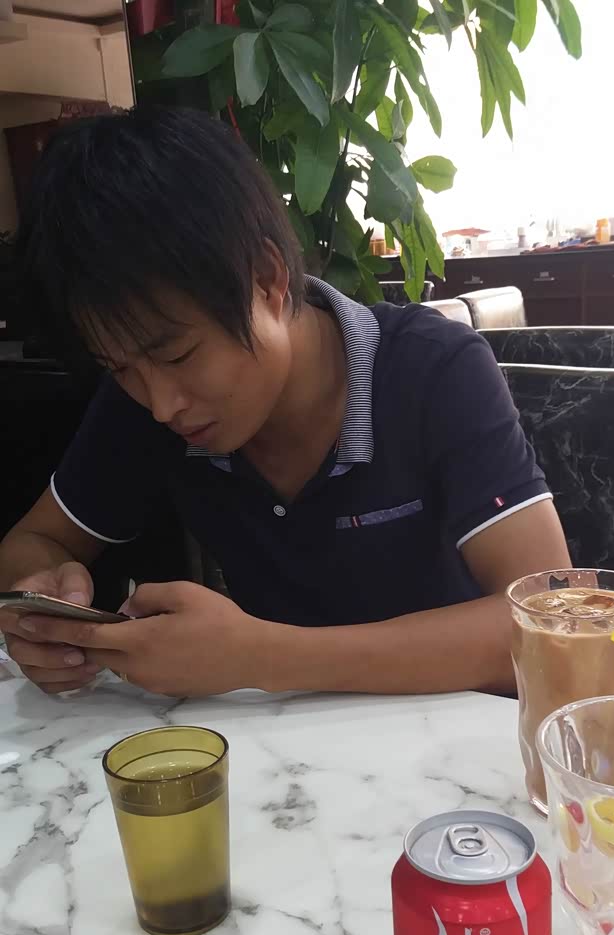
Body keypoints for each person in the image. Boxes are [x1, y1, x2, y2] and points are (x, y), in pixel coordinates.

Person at [0, 107, 569, 699]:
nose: (162, 405)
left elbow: (550, 620)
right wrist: (40, 606)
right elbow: (32, 543)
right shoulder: (144, 402)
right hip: (282, 748)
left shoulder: (433, 370)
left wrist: (259, 657)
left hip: (458, 734)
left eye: (178, 355)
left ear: (267, 279)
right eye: (118, 368)